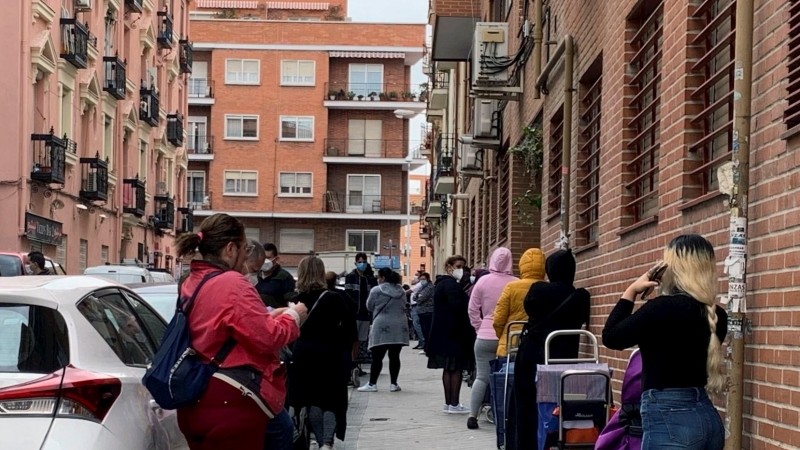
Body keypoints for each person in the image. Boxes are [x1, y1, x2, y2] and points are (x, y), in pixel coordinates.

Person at [173, 213, 308, 450]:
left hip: (196, 395)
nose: (246, 258)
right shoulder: (232, 283)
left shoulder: (192, 281)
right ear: (230, 249)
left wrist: (267, 318)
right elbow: (269, 338)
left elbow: (222, 329)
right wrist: (294, 317)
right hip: (233, 398)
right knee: (283, 434)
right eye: (245, 250)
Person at [602, 234, 727, 450]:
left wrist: (631, 290)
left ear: (672, 269)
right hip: (708, 418)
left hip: (670, 420)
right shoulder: (717, 316)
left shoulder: (661, 308)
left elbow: (611, 337)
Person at [511, 248, 590, 450]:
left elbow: (530, 308)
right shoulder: (580, 296)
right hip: (563, 360)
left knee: (526, 406)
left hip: (531, 355)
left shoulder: (538, 290)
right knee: (559, 409)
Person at [289, 256, 356, 450]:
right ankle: (327, 442)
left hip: (302, 353)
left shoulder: (294, 301)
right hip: (330, 353)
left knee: (310, 399)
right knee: (331, 398)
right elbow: (348, 330)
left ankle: (315, 438)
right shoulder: (334, 298)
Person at [466, 248, 518, 429]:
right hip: (509, 336)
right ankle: (504, 415)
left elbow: (472, 309)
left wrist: (479, 327)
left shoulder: (482, 281)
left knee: (481, 377)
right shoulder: (516, 283)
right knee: (508, 377)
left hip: (484, 336)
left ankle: (472, 415)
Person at [426, 255, 476, 414]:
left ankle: (449, 403)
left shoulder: (442, 284)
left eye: (463, 266)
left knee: (448, 369)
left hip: (444, 333)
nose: (461, 270)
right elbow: (459, 307)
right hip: (454, 333)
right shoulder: (451, 285)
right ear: (449, 267)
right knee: (456, 369)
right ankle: (454, 403)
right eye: (458, 266)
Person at [357, 268, 410, 392]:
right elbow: (404, 304)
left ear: (383, 278)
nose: (378, 280)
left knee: (377, 357)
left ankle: (372, 384)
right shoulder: (401, 290)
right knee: (395, 356)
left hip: (381, 324)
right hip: (399, 325)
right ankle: (393, 384)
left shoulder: (376, 290)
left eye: (378, 277)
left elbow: (369, 306)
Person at [493, 248, 546, 357]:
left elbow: (499, 318)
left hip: (512, 341)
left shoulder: (511, 287)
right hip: (538, 343)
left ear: (522, 265)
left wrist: (503, 335)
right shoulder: (547, 288)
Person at [345, 252, 378, 383]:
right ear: (355, 263)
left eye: (363, 261)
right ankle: (351, 365)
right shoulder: (351, 277)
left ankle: (355, 364)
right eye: (359, 261)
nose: (362, 264)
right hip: (354, 314)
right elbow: (348, 295)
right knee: (352, 340)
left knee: (359, 341)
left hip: (365, 314)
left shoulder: (370, 278)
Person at [256, 243, 297, 309]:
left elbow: (291, 302)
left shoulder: (285, 277)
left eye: (268, 258)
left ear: (276, 259)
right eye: (262, 258)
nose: (264, 261)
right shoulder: (255, 276)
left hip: (276, 317)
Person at [414, 272, 435, 354]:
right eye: (421, 279)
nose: (422, 281)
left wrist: (418, 297)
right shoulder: (421, 287)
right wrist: (418, 296)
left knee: (427, 330)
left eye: (424, 279)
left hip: (428, 311)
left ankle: (428, 348)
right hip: (421, 311)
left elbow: (421, 299)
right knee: (424, 330)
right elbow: (415, 296)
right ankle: (426, 347)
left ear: (428, 279)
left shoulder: (430, 287)